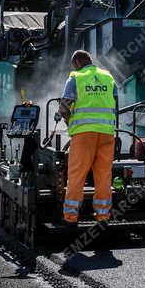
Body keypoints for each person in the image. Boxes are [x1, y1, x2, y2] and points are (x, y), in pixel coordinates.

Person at [59, 50, 117, 224]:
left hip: (84, 134)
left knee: (77, 174)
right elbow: (115, 103)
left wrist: (70, 123)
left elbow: (64, 106)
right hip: (107, 133)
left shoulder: (76, 78)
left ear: (77, 62)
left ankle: (70, 216)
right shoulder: (108, 77)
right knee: (103, 176)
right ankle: (103, 216)